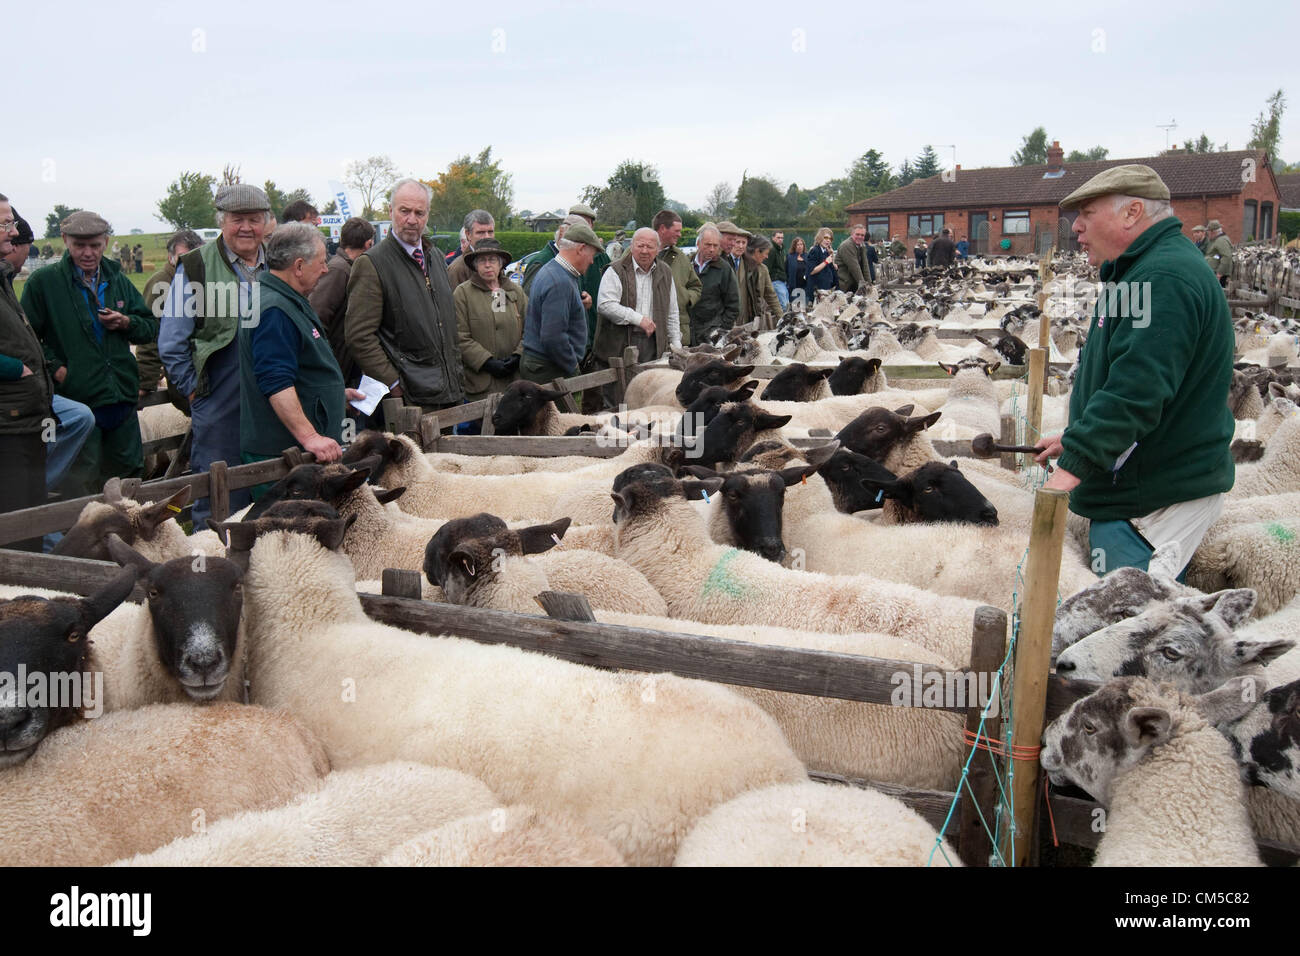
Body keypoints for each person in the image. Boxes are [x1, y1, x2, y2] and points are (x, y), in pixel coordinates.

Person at [1032, 165, 1235, 581]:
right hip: (1136, 482)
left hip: (1146, 500)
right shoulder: (1140, 272)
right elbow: (1128, 370)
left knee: (1127, 631)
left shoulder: (1164, 277)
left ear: (1132, 212)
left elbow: (1137, 387)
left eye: (1087, 213)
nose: (1077, 228)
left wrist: (1077, 462)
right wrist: (1076, 436)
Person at [20, 211, 157, 497]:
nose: (87, 253)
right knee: (82, 482)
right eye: (79, 245)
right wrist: (58, 368)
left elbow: (149, 328)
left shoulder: (117, 278)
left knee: (129, 477)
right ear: (65, 241)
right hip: (79, 401)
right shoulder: (44, 283)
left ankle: (127, 541)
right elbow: (27, 338)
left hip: (121, 397)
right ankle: (85, 541)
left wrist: (126, 322)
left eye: (94, 245)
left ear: (106, 242)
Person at [159, 183, 270, 524]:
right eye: (238, 219)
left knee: (269, 485)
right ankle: (210, 561)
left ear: (266, 222)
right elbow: (171, 341)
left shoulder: (278, 260)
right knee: (219, 490)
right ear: (222, 221)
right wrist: (196, 391)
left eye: (254, 219)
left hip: (271, 393)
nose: (247, 228)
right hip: (220, 395)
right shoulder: (195, 266)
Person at [239, 223, 358, 467]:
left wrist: (334, 395)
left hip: (294, 452)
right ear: (299, 266)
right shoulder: (274, 310)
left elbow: (300, 367)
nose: (326, 269)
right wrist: (310, 437)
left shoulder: (286, 300)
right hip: (285, 456)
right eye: (322, 262)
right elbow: (276, 380)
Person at [344, 178, 464, 413]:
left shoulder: (436, 258)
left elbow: (446, 324)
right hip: (410, 402)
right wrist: (395, 384)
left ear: (428, 215)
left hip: (448, 394)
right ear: (391, 211)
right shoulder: (372, 263)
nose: (412, 219)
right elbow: (359, 336)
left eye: (419, 212)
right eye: (404, 211)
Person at [593, 227, 679, 407]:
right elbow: (605, 305)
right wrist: (638, 319)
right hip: (618, 346)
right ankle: (617, 434)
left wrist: (676, 346)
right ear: (631, 247)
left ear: (658, 249)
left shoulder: (665, 272)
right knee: (618, 400)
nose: (645, 251)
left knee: (647, 395)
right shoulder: (615, 270)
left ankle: (645, 433)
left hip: (652, 345)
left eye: (650, 246)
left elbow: (672, 313)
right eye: (640, 246)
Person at [519, 224, 603, 383]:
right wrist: (572, 366)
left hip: (544, 366)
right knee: (560, 410)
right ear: (581, 249)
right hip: (550, 370)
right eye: (592, 254)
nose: (592, 261)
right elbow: (552, 337)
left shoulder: (553, 271)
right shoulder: (560, 281)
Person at [454, 238, 525, 403]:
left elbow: (531, 329)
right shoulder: (462, 293)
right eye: (482, 261)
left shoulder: (515, 292)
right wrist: (487, 362)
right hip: (480, 384)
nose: (487, 265)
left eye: (492, 260)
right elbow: (459, 336)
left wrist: (518, 356)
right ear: (475, 265)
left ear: (500, 264)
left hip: (513, 381)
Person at [139, 229, 202, 405]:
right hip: (183, 376)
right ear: (170, 257)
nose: (188, 261)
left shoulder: (203, 278)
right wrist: (146, 380)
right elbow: (151, 332)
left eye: (194, 255)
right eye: (182, 256)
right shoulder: (162, 284)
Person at [309, 216, 373, 391]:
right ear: (369, 244)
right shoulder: (339, 270)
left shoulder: (348, 268)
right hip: (334, 368)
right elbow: (316, 316)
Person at [653, 209, 702, 346]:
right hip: (646, 333)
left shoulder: (681, 257)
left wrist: (683, 298)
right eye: (677, 231)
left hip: (677, 332)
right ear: (662, 228)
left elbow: (696, 286)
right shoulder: (636, 252)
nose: (680, 235)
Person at [687, 225, 739, 344]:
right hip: (688, 332)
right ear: (698, 244)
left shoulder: (724, 269)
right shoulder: (687, 265)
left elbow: (734, 304)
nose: (712, 249)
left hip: (711, 333)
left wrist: (721, 330)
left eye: (715, 246)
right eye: (708, 245)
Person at [521, 215, 580, 294]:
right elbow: (527, 299)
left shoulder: (567, 262)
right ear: (562, 232)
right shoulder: (542, 262)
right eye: (577, 237)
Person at [445, 210, 497, 289]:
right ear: (468, 234)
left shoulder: (498, 262)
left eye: (490, 232)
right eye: (481, 232)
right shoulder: (457, 269)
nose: (487, 237)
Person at [742, 235, 783, 324]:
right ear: (757, 251)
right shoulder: (740, 266)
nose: (767, 257)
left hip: (755, 318)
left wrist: (782, 318)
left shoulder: (763, 269)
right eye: (766, 253)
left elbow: (771, 295)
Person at [835, 224, 872, 294]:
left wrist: (869, 284)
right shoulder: (847, 246)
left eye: (862, 235)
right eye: (857, 234)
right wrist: (864, 286)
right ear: (852, 234)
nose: (860, 237)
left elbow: (865, 265)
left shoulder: (862, 245)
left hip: (854, 283)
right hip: (844, 284)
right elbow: (854, 267)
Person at [805, 228, 837, 299]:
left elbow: (833, 269)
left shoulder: (826, 251)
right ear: (820, 238)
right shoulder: (814, 250)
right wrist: (825, 262)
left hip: (826, 288)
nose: (828, 240)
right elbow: (812, 271)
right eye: (826, 238)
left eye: (830, 238)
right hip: (816, 291)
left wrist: (832, 256)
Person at [1203, 219, 1233, 289]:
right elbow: (1218, 255)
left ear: (1213, 232)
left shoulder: (1221, 241)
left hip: (1219, 275)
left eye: (1208, 232)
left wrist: (1219, 273)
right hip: (1215, 272)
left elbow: (1226, 256)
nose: (1208, 234)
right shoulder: (1217, 240)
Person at [765, 230, 788, 310]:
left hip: (782, 280)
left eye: (782, 238)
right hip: (775, 280)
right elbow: (766, 267)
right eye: (778, 237)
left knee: (786, 304)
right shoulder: (772, 250)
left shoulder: (781, 249)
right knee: (784, 305)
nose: (780, 239)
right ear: (773, 238)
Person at [785, 237, 808, 307]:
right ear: (794, 246)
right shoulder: (790, 257)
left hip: (805, 287)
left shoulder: (807, 256)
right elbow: (786, 270)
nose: (800, 246)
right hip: (794, 287)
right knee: (795, 308)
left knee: (804, 307)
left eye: (801, 244)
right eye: (798, 244)